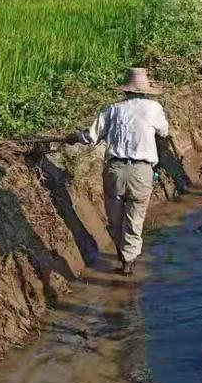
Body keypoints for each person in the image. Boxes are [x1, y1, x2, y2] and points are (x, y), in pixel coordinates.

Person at [66, 67, 172, 275]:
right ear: (145, 90)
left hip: (115, 170)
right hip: (141, 172)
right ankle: (128, 261)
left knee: (115, 218)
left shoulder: (112, 110)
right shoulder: (153, 108)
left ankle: (124, 255)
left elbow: (90, 137)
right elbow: (164, 131)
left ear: (125, 90)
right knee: (135, 217)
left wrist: (74, 137)